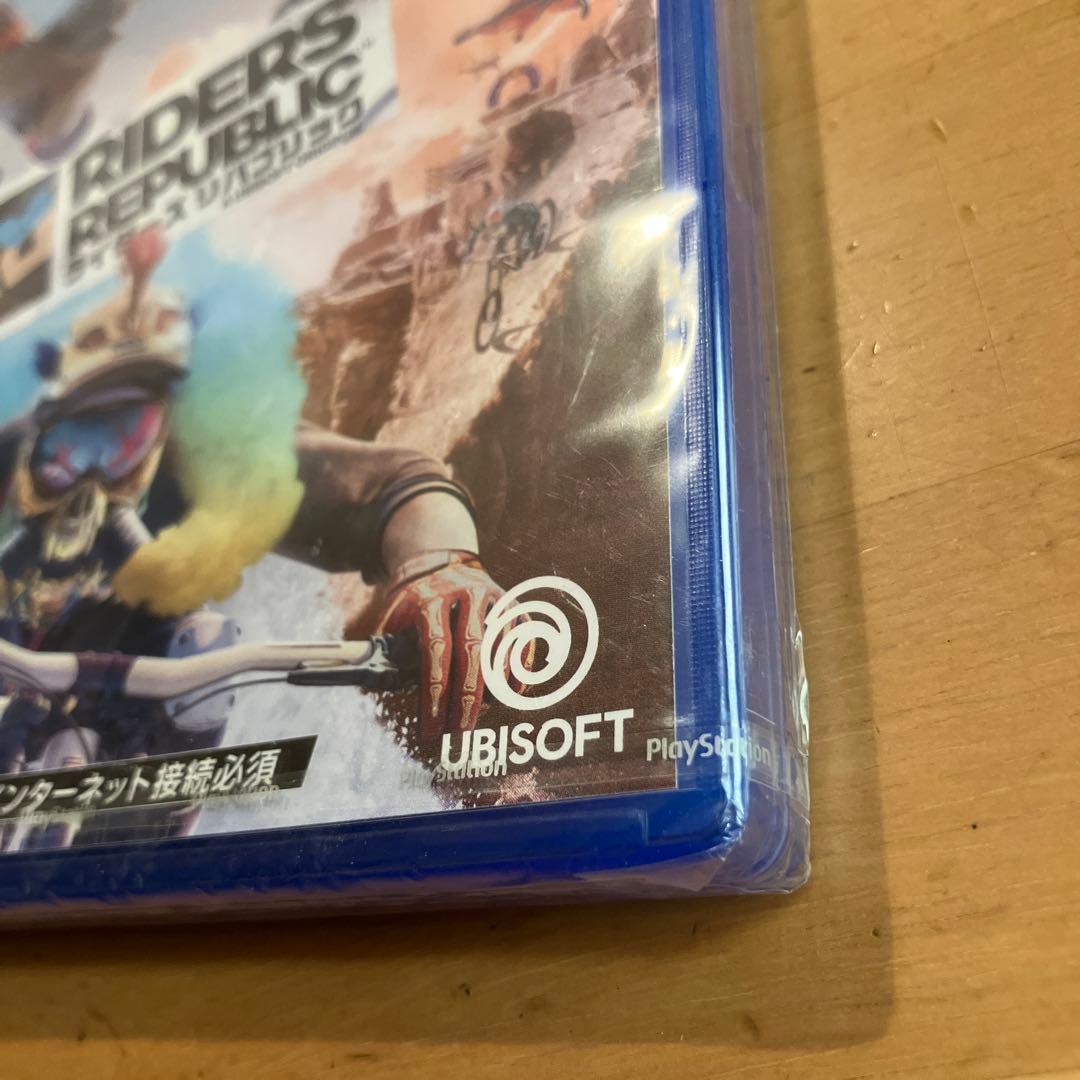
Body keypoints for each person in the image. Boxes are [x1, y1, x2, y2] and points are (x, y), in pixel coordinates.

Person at [0, 228, 519, 779]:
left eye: (124, 436)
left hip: (129, 688)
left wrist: (438, 564)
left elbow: (395, 484)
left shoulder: (203, 455)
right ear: (44, 422)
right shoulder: (8, 454)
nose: (91, 471)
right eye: (76, 438)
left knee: (202, 646)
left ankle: (168, 808)